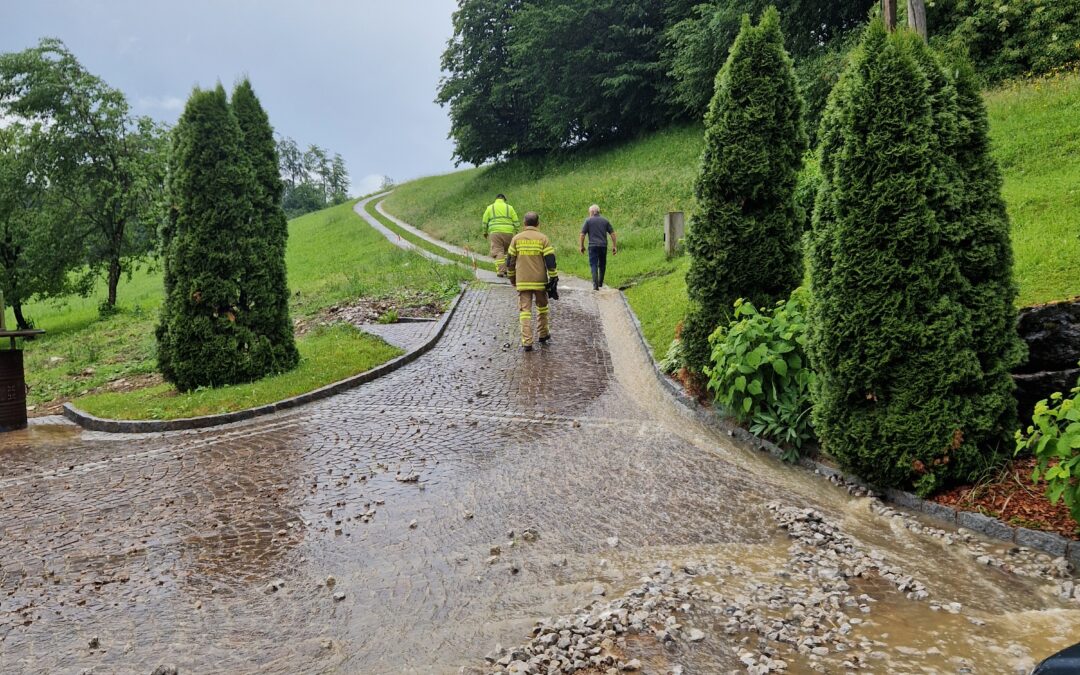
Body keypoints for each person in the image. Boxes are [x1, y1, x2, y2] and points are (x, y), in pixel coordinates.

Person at [506, 212, 558, 351]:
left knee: (525, 311)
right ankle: (543, 334)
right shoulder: (543, 239)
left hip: (522, 281)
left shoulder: (516, 239)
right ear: (538, 224)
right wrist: (553, 278)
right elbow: (550, 260)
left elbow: (510, 262)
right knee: (542, 308)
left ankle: (527, 341)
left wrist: (512, 278)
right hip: (540, 281)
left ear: (524, 223)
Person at [579, 204, 617, 290]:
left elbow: (582, 234)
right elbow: (613, 234)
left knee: (593, 265)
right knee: (602, 265)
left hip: (592, 246)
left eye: (589, 212)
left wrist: (581, 246)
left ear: (592, 212)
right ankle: (600, 283)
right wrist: (614, 246)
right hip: (603, 246)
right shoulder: (605, 221)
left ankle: (595, 286)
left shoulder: (588, 221)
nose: (589, 214)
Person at [482, 193, 520, 277]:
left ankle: (501, 271)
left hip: (495, 233)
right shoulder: (509, 208)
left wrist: (485, 232)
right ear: (504, 200)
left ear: (496, 199)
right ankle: (507, 269)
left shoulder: (490, 208)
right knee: (506, 252)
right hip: (509, 233)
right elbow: (516, 220)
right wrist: (517, 231)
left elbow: (484, 221)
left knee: (499, 251)